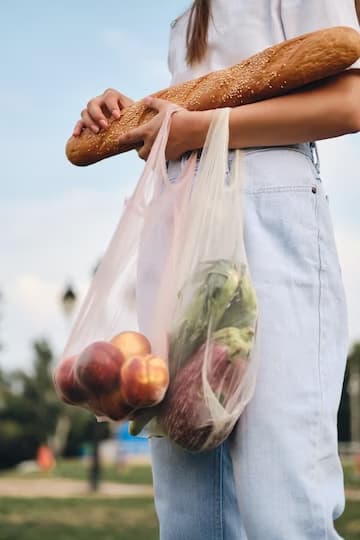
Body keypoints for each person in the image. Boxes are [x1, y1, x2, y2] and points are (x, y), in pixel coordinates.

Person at [73, 1, 360, 538]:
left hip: (266, 209)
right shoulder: (185, 23)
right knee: (190, 506)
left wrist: (198, 129)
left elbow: (351, 102)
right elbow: (199, 108)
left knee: (281, 497)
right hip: (182, 218)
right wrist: (132, 114)